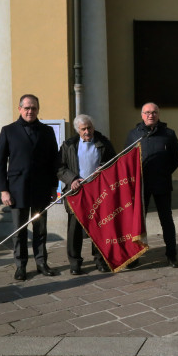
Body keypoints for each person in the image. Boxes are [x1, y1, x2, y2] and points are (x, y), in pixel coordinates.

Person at [0, 94, 59, 281]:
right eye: (27, 108)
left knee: (40, 229)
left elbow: (53, 161)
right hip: (17, 189)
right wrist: (3, 190)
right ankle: (21, 266)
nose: (30, 111)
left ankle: (41, 263)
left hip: (41, 188)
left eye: (34, 108)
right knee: (19, 230)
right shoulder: (8, 131)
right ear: (20, 109)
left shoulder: (47, 131)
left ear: (38, 109)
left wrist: (53, 187)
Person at [58, 114, 116, 274]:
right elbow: (60, 168)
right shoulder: (68, 145)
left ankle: (100, 259)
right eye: (83, 129)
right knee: (74, 228)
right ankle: (75, 263)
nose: (87, 131)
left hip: (99, 191)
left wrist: (104, 168)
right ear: (78, 130)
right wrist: (72, 179)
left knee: (99, 226)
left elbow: (114, 162)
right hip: (77, 191)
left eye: (89, 127)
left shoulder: (103, 143)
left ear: (93, 127)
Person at [126, 102, 178, 268]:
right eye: (147, 112)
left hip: (162, 183)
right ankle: (135, 256)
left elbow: (176, 159)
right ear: (142, 115)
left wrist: (163, 172)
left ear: (158, 114)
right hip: (140, 186)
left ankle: (171, 255)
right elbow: (126, 160)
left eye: (154, 112)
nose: (151, 115)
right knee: (137, 222)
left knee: (166, 220)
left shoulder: (168, 134)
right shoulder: (133, 134)